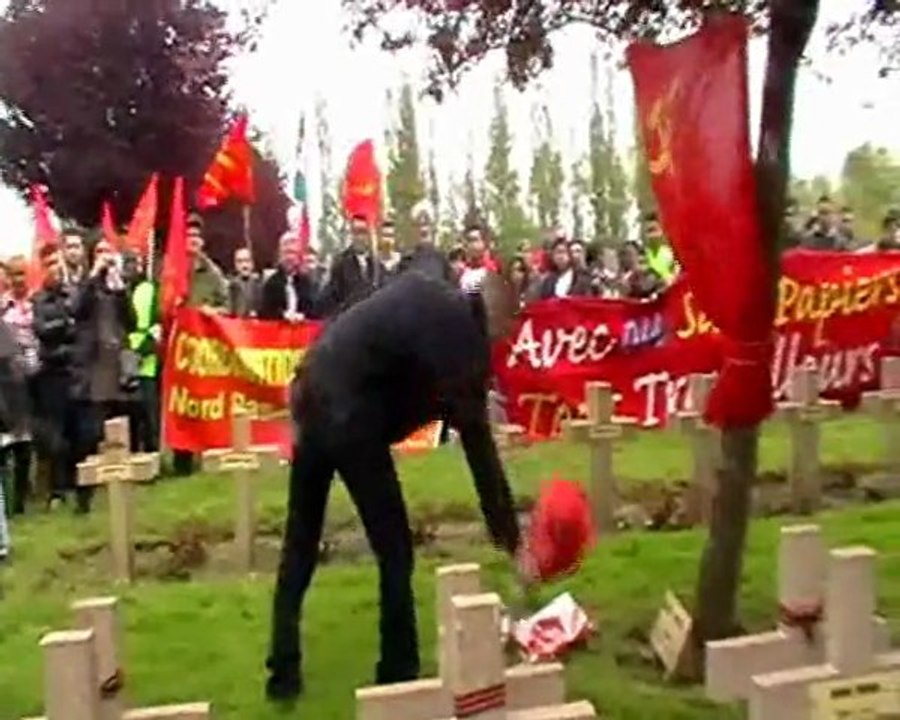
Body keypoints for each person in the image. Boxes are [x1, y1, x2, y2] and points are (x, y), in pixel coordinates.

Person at [265, 256, 522, 702]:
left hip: (310, 389)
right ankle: (398, 673)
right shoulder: (460, 335)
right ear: (486, 316)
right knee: (395, 549)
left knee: (300, 540)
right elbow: (479, 445)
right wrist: (511, 536)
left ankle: (282, 674)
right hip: (351, 416)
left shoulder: (421, 290)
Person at [69, 241, 136, 512]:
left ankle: (118, 492)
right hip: (92, 371)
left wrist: (121, 291)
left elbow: (131, 321)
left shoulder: (116, 287)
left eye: (109, 252)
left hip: (116, 368)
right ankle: (83, 496)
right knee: (89, 434)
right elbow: (76, 309)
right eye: (99, 252)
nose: (105, 257)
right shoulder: (87, 286)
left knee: (118, 434)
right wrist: (94, 274)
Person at [32, 244, 80, 510]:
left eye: (57, 263)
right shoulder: (40, 300)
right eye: (49, 264)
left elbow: (80, 328)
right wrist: (65, 323)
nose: (55, 269)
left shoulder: (72, 294)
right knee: (56, 434)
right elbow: (42, 330)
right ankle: (57, 489)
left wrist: (66, 329)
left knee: (79, 430)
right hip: (52, 374)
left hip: (74, 370)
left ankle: (78, 484)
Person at [0, 256, 38, 515]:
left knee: (26, 441)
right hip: (4, 384)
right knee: (6, 444)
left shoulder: (35, 303)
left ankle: (21, 500)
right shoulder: (3, 309)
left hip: (27, 379)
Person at [125, 253, 160, 453]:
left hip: (147, 359)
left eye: (135, 262)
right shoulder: (119, 289)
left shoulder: (151, 288)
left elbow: (157, 321)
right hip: (124, 358)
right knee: (129, 414)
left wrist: (145, 348)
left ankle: (151, 452)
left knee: (149, 413)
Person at [319, 215, 386, 316]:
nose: (360, 237)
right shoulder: (341, 264)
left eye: (363, 232)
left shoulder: (378, 267)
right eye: (356, 232)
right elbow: (332, 300)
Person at [260, 235, 318, 322]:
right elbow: (265, 313)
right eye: (286, 252)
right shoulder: (271, 283)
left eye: (293, 252)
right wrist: (283, 315)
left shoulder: (307, 283)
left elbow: (314, 311)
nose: (289, 257)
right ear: (280, 255)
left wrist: (302, 316)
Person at [228, 246, 263, 318]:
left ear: (252, 263)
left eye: (247, 260)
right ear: (235, 265)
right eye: (240, 261)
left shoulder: (261, 284)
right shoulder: (231, 286)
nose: (244, 265)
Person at [642, 212, 677, 281]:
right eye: (648, 231)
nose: (651, 235)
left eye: (654, 230)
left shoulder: (672, 253)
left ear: (662, 231)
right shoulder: (643, 256)